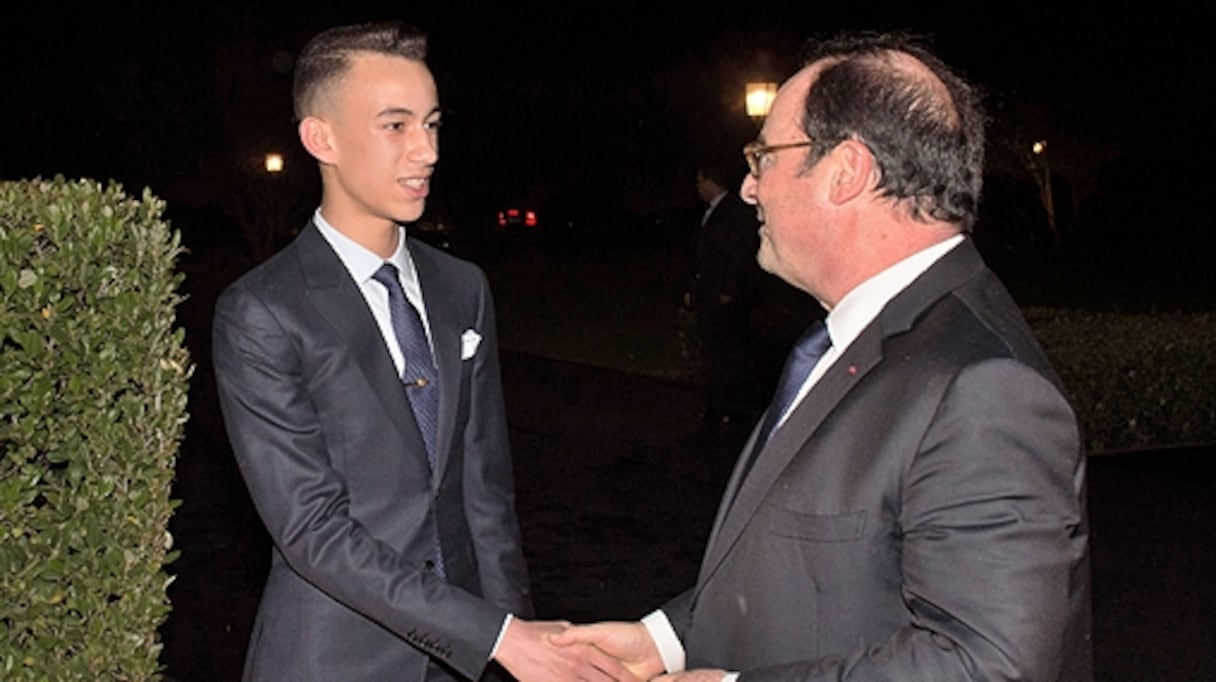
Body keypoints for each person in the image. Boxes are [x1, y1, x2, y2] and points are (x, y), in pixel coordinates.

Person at [555, 31, 1092, 681]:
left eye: (765, 156)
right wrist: (664, 641)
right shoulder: (854, 340)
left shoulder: (983, 386)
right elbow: (811, 565)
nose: (750, 189)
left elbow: (990, 665)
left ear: (847, 172)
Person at [211, 20, 631, 682]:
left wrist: (513, 646)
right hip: (334, 661)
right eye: (396, 126)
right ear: (321, 138)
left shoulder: (462, 287)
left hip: (466, 663)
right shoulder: (262, 310)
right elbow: (312, 532)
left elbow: (485, 493)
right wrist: (497, 636)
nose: (427, 150)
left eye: (432, 124)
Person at [684, 160, 763, 425]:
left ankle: (732, 406)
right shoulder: (710, 212)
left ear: (709, 181)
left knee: (728, 350)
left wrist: (729, 288)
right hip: (708, 291)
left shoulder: (733, 212)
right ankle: (717, 402)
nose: (697, 188)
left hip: (725, 295)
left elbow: (738, 253)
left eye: (699, 181)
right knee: (713, 349)